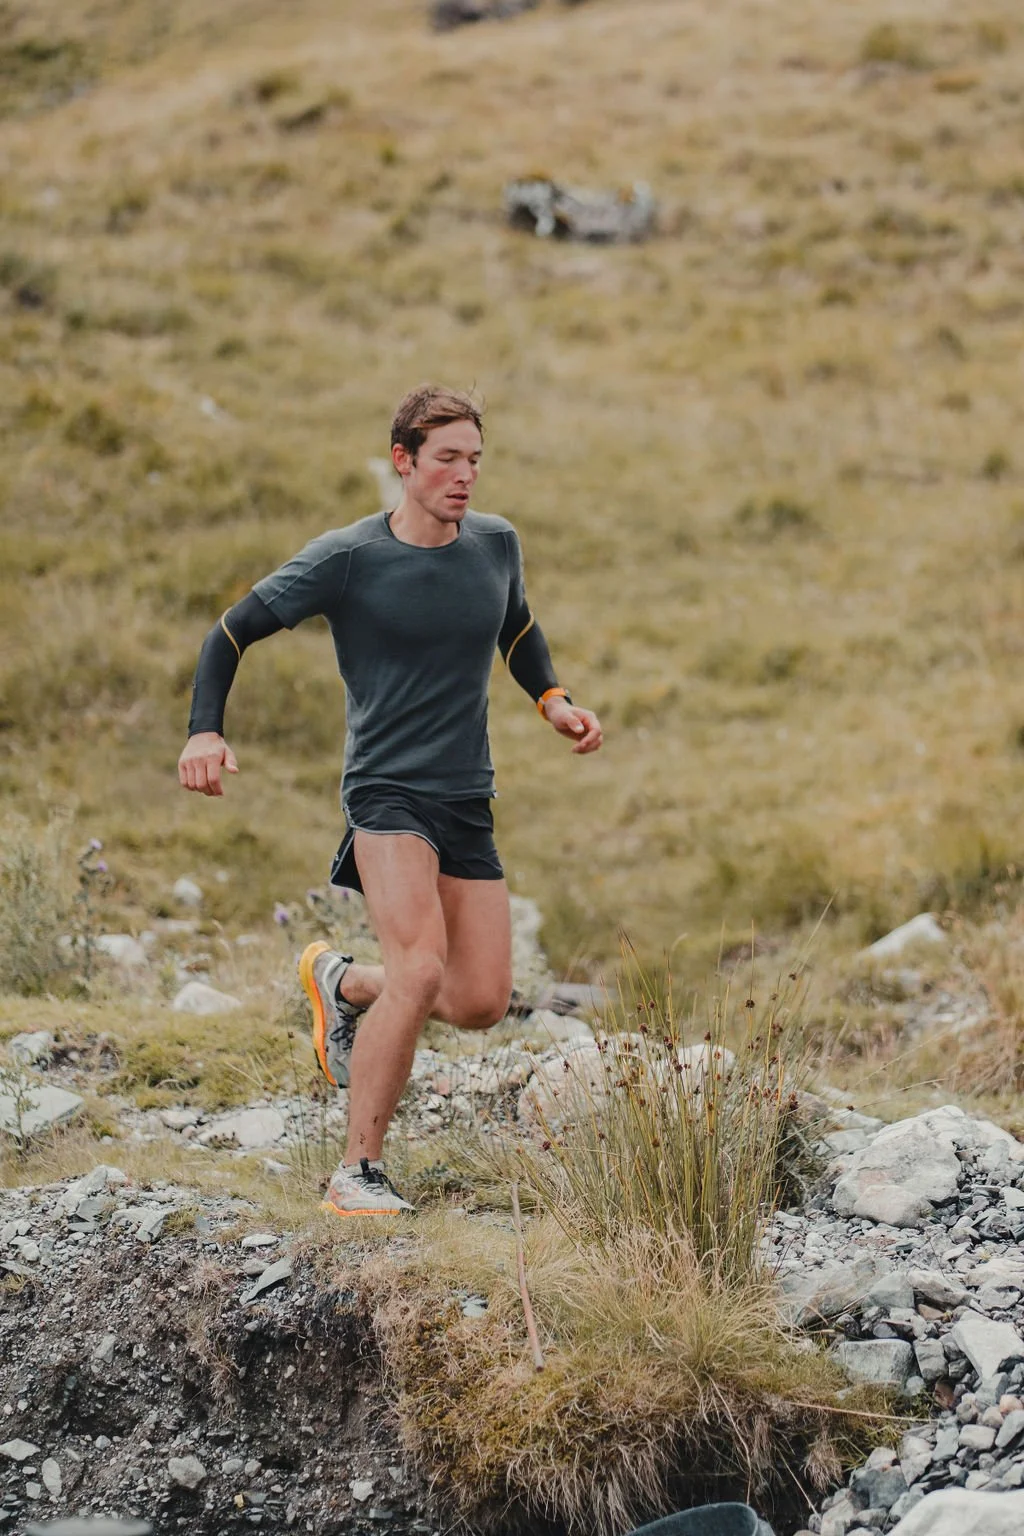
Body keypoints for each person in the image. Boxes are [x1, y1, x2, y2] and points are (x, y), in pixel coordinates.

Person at [178, 385, 603, 1216]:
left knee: (478, 1002)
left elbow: (513, 625)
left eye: (475, 459)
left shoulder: (495, 543)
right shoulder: (348, 558)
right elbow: (231, 631)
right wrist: (204, 731)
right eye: (447, 458)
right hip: (386, 792)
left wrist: (551, 698)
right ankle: (356, 1173)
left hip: (466, 796)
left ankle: (343, 985)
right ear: (403, 462)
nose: (465, 476)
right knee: (420, 968)